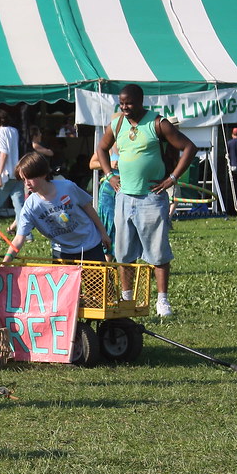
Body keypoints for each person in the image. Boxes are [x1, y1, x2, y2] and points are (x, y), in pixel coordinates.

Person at [95, 83, 196, 317]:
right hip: (124, 197)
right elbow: (101, 148)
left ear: (141, 101)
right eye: (121, 103)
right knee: (123, 252)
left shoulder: (158, 123)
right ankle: (127, 298)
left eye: (128, 103)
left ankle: (162, 301)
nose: (124, 107)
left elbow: (189, 147)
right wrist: (109, 175)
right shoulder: (118, 123)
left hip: (151, 197)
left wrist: (172, 178)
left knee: (157, 251)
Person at [2, 153, 110, 263]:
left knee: (96, 280)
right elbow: (19, 238)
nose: (26, 183)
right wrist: (5, 263)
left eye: (29, 177)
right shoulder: (30, 206)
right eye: (23, 179)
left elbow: (88, 208)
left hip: (90, 245)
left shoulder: (68, 187)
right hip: (62, 253)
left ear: (43, 174)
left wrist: (103, 233)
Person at [0, 108, 24, 224]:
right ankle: (27, 235)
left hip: (6, 174)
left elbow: (4, 154)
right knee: (20, 207)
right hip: (16, 173)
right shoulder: (14, 131)